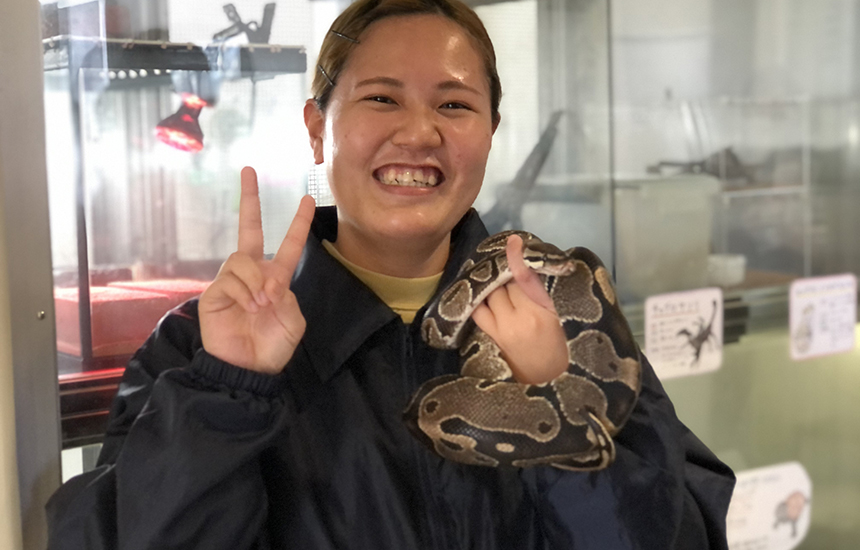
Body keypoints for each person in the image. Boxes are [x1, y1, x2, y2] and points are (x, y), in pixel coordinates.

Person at [46, 0, 736, 547]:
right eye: (381, 99)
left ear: (492, 130)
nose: (419, 131)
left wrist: (557, 402)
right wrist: (228, 391)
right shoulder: (195, 351)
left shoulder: (576, 325)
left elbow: (681, 534)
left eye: (455, 104)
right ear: (317, 128)